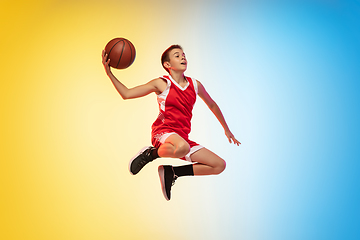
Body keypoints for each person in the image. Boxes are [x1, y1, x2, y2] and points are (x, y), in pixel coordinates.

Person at [102, 45, 240, 201]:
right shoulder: (162, 83)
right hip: (163, 132)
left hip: (182, 138)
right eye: (177, 55)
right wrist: (109, 74)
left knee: (218, 165)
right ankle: (150, 154)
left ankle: (173, 172)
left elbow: (212, 104)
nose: (183, 57)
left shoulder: (195, 85)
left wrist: (226, 130)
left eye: (183, 55)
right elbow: (126, 94)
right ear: (167, 65)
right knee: (182, 147)